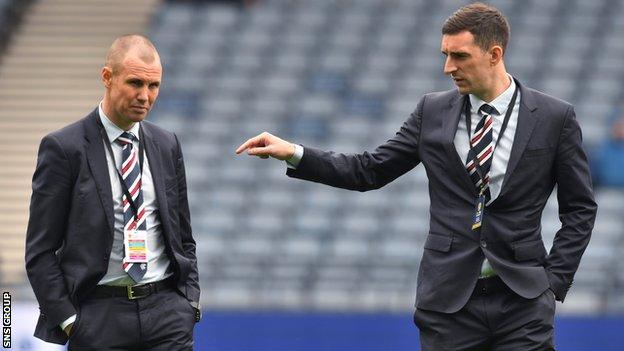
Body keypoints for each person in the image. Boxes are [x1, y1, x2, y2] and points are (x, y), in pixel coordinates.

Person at [236, 3, 597, 350]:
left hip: (523, 300)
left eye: (459, 56)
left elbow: (580, 207)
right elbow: (369, 170)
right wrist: (296, 153)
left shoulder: (554, 117)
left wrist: (553, 281)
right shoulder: (432, 111)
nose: (447, 67)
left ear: (495, 54)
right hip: (449, 303)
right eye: (445, 54)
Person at [25, 34, 200, 350]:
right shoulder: (64, 148)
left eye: (153, 86)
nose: (144, 96)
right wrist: (69, 321)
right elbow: (40, 252)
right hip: (99, 318)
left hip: (167, 316)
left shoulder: (167, 144)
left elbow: (184, 236)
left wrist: (188, 303)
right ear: (107, 77)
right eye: (135, 83)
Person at [590, 114, 624, 187]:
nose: (620, 130)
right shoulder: (603, 148)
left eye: (621, 127)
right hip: (606, 189)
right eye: (617, 126)